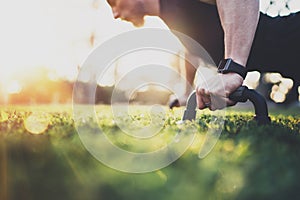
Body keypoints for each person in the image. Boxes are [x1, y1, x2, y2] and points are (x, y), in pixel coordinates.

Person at [106, 0, 300, 110]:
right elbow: (191, 49)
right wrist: (184, 91)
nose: (114, 14)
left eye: (113, 2)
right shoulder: (170, 14)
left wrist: (232, 68)